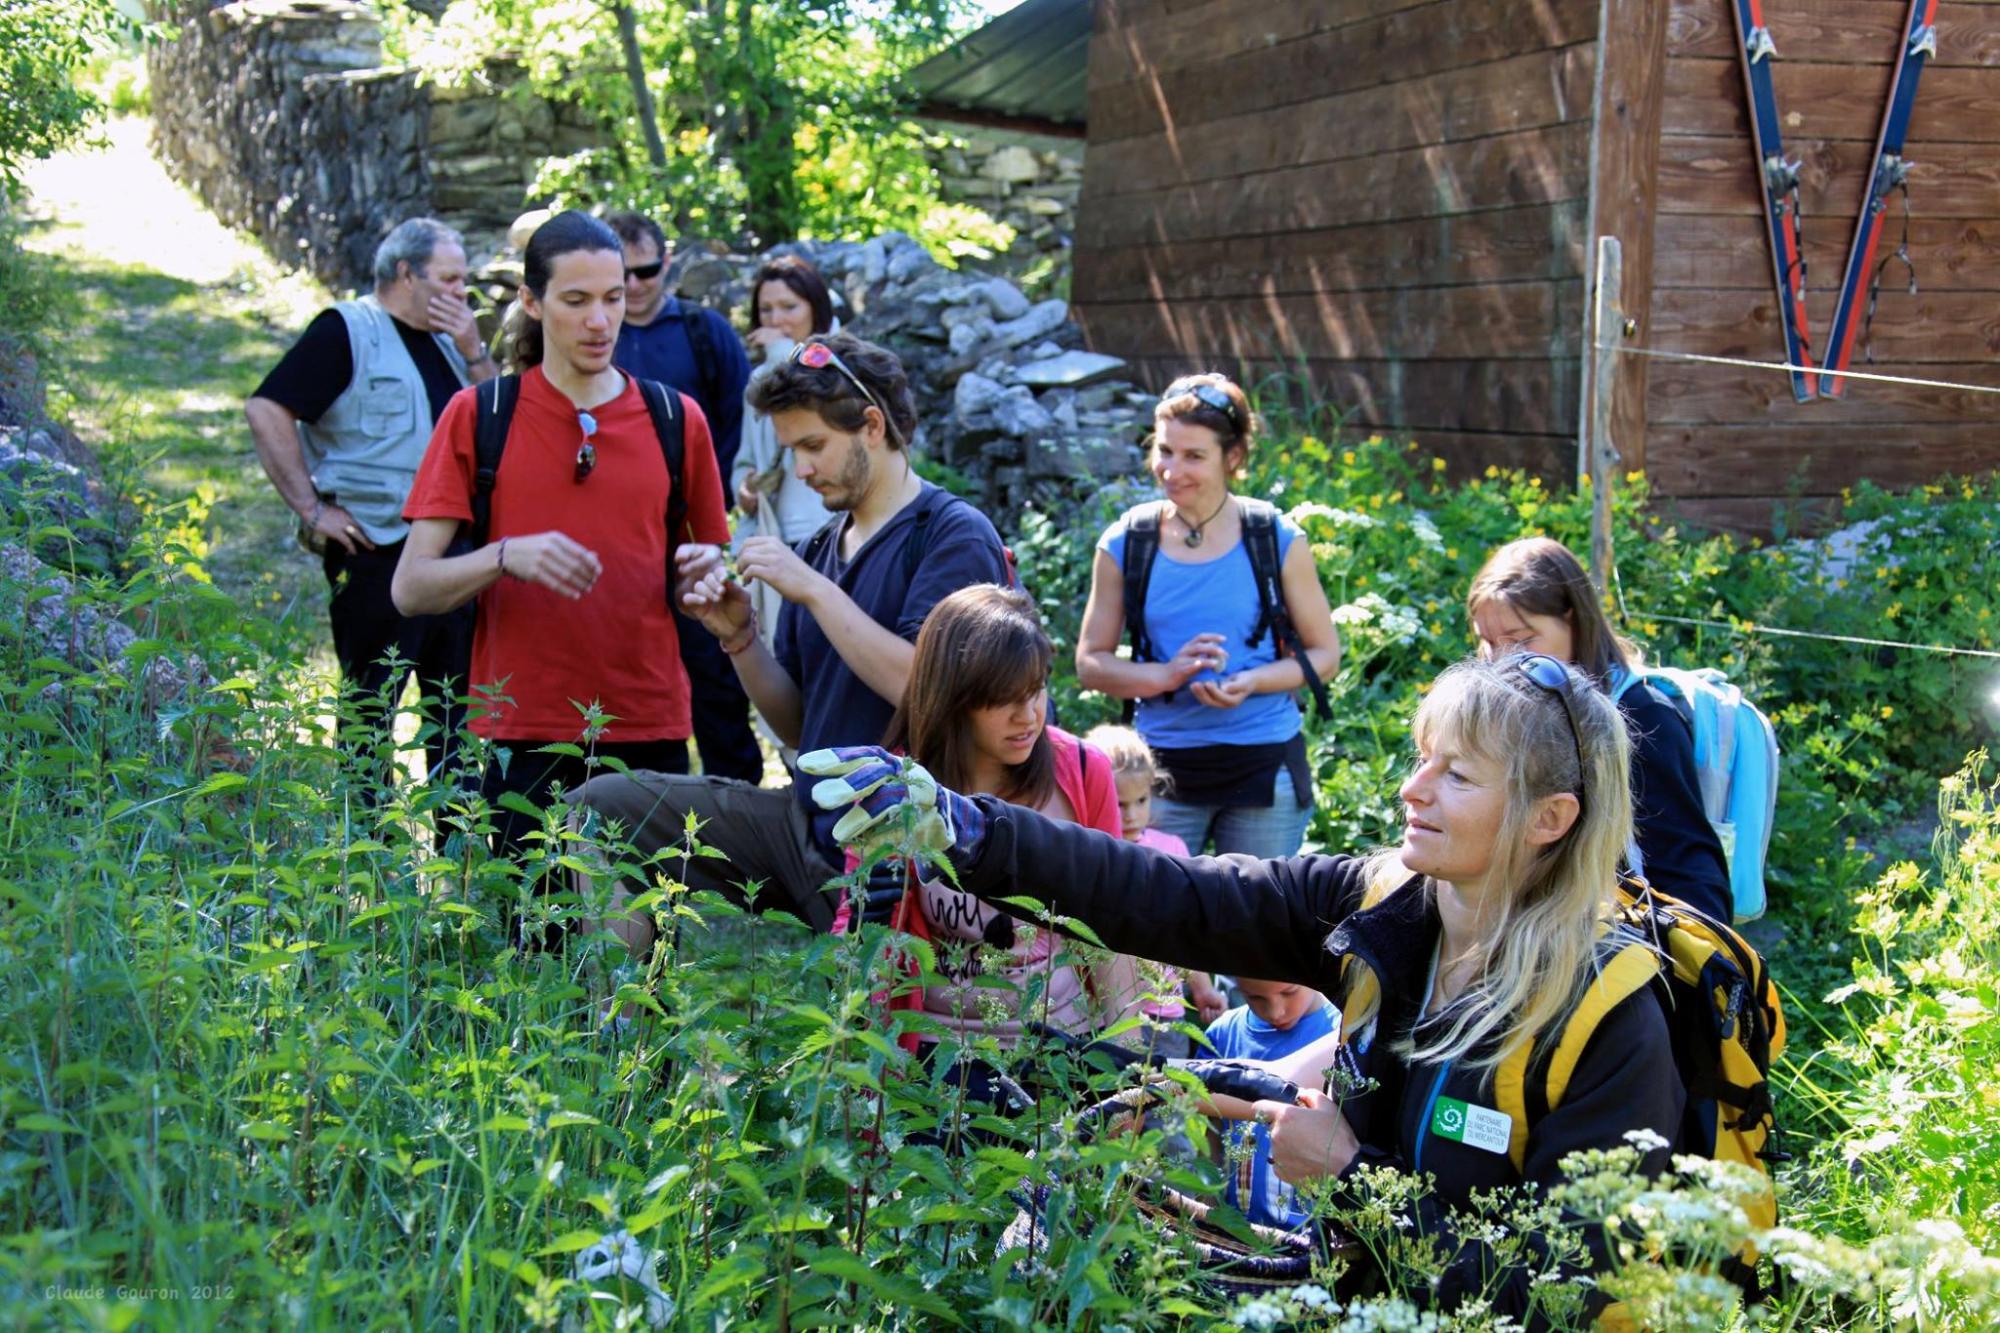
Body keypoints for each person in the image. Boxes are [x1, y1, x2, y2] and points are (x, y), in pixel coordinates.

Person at [805, 653, 1683, 1323]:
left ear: (1549, 818)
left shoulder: (1608, 1019)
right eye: (1424, 757)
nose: (1412, 789)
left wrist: (1350, 1172)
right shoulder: (1384, 905)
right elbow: (1174, 896)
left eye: (1457, 774)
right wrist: (975, 829)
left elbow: (1573, 1295)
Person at [574, 332, 1012, 933]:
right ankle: (624, 1023)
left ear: (873, 426)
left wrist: (812, 588)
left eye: (814, 445)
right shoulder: (820, 548)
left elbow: (925, 688)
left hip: (901, 850)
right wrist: (740, 638)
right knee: (598, 810)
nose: (801, 470)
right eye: (790, 450)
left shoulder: (950, 535)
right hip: (805, 826)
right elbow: (801, 727)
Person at [390, 211, 730, 943]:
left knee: (648, 968)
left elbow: (708, 573)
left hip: (647, 723)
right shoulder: (480, 414)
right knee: (541, 959)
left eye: (613, 297)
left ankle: (649, 1065)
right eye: (577, 300)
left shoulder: (678, 419)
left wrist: (710, 577)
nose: (601, 318)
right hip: (525, 729)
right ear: (533, 301)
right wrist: (504, 554)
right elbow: (410, 587)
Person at [245, 216, 496, 781]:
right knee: (369, 715)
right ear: (406, 273)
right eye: (451, 279)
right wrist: (311, 509)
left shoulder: (452, 344)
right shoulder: (346, 330)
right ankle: (369, 854)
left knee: (457, 718)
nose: (462, 293)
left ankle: (455, 858)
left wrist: (475, 351)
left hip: (457, 555)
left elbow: (497, 423)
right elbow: (266, 409)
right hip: (376, 551)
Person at [857, 586, 1148, 1061]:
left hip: (1057, 1051)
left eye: (1036, 690)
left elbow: (1115, 923)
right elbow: (864, 933)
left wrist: (1126, 1062)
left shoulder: (1081, 769)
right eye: (1003, 699)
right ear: (955, 697)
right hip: (934, 1057)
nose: (1028, 715)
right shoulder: (898, 785)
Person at [1075, 373, 1341, 859]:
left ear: (1233, 458)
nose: (1172, 470)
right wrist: (1165, 674)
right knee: (1156, 926)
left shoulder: (1275, 537)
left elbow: (1325, 655)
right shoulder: (1126, 543)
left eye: (1194, 456)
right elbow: (1090, 663)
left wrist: (1251, 681)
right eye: (1165, 451)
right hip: (1158, 775)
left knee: (1256, 925)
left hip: (1264, 766)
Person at [1466, 537, 1732, 922]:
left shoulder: (1643, 719)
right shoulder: (1520, 719)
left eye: (1521, 641)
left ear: (1573, 619)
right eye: (1488, 643)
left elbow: (1693, 881)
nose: (1502, 661)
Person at [605, 210, 762, 784]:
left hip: (696, 535)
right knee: (621, 679)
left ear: (666, 263)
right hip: (616, 539)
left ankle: (736, 808)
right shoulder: (596, 336)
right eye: (623, 274)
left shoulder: (704, 331)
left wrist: (709, 501)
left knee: (715, 681)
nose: (636, 285)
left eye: (646, 270)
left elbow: (736, 422)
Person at [1084, 722, 1228, 1051]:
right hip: (1101, 1011)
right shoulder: (1089, 852)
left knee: (1166, 1095)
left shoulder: (1172, 848)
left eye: (1141, 800)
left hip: (1165, 1011)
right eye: (1119, 804)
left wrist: (1202, 989)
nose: (1132, 815)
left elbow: (1185, 929)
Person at [735, 256, 837, 646]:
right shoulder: (758, 379)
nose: (776, 319)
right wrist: (743, 488)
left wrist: (781, 354)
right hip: (776, 536)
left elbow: (814, 396)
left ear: (816, 307)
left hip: (830, 533)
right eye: (766, 310)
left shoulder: (845, 363)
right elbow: (745, 459)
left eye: (790, 307)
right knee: (782, 657)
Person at [1202, 979, 1338, 1229]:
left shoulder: (1340, 1033)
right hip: (1239, 1233)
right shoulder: (1223, 1034)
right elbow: (1210, 1138)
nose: (1276, 1011)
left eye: (1289, 992)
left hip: (1314, 1240)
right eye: (1255, 998)